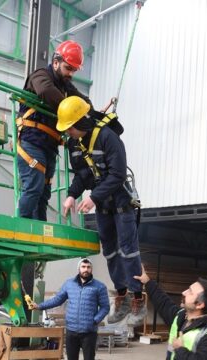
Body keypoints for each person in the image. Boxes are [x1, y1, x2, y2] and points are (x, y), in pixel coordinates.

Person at [55, 95, 146, 325]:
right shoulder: (75, 144)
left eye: (69, 128)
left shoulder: (108, 138)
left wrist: (94, 197)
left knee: (128, 250)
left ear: (80, 123)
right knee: (110, 252)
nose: (68, 133)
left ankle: (138, 298)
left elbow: (116, 175)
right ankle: (122, 297)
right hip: (103, 205)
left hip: (122, 203)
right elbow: (83, 174)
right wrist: (71, 195)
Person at [17, 40, 90, 221]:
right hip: (31, 141)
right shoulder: (40, 76)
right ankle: (21, 227)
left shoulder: (66, 86)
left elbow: (84, 102)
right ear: (55, 62)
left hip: (49, 147)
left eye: (74, 70)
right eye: (68, 68)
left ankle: (39, 232)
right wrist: (72, 110)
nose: (70, 74)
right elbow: (45, 90)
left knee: (43, 194)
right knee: (34, 186)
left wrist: (93, 114)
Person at [29, 258, 109, 360]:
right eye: (83, 266)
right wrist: (39, 306)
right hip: (72, 330)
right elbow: (58, 299)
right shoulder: (69, 284)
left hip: (89, 332)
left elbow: (105, 307)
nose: (86, 269)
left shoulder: (99, 287)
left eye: (88, 267)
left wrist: (95, 320)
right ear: (79, 269)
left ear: (91, 269)